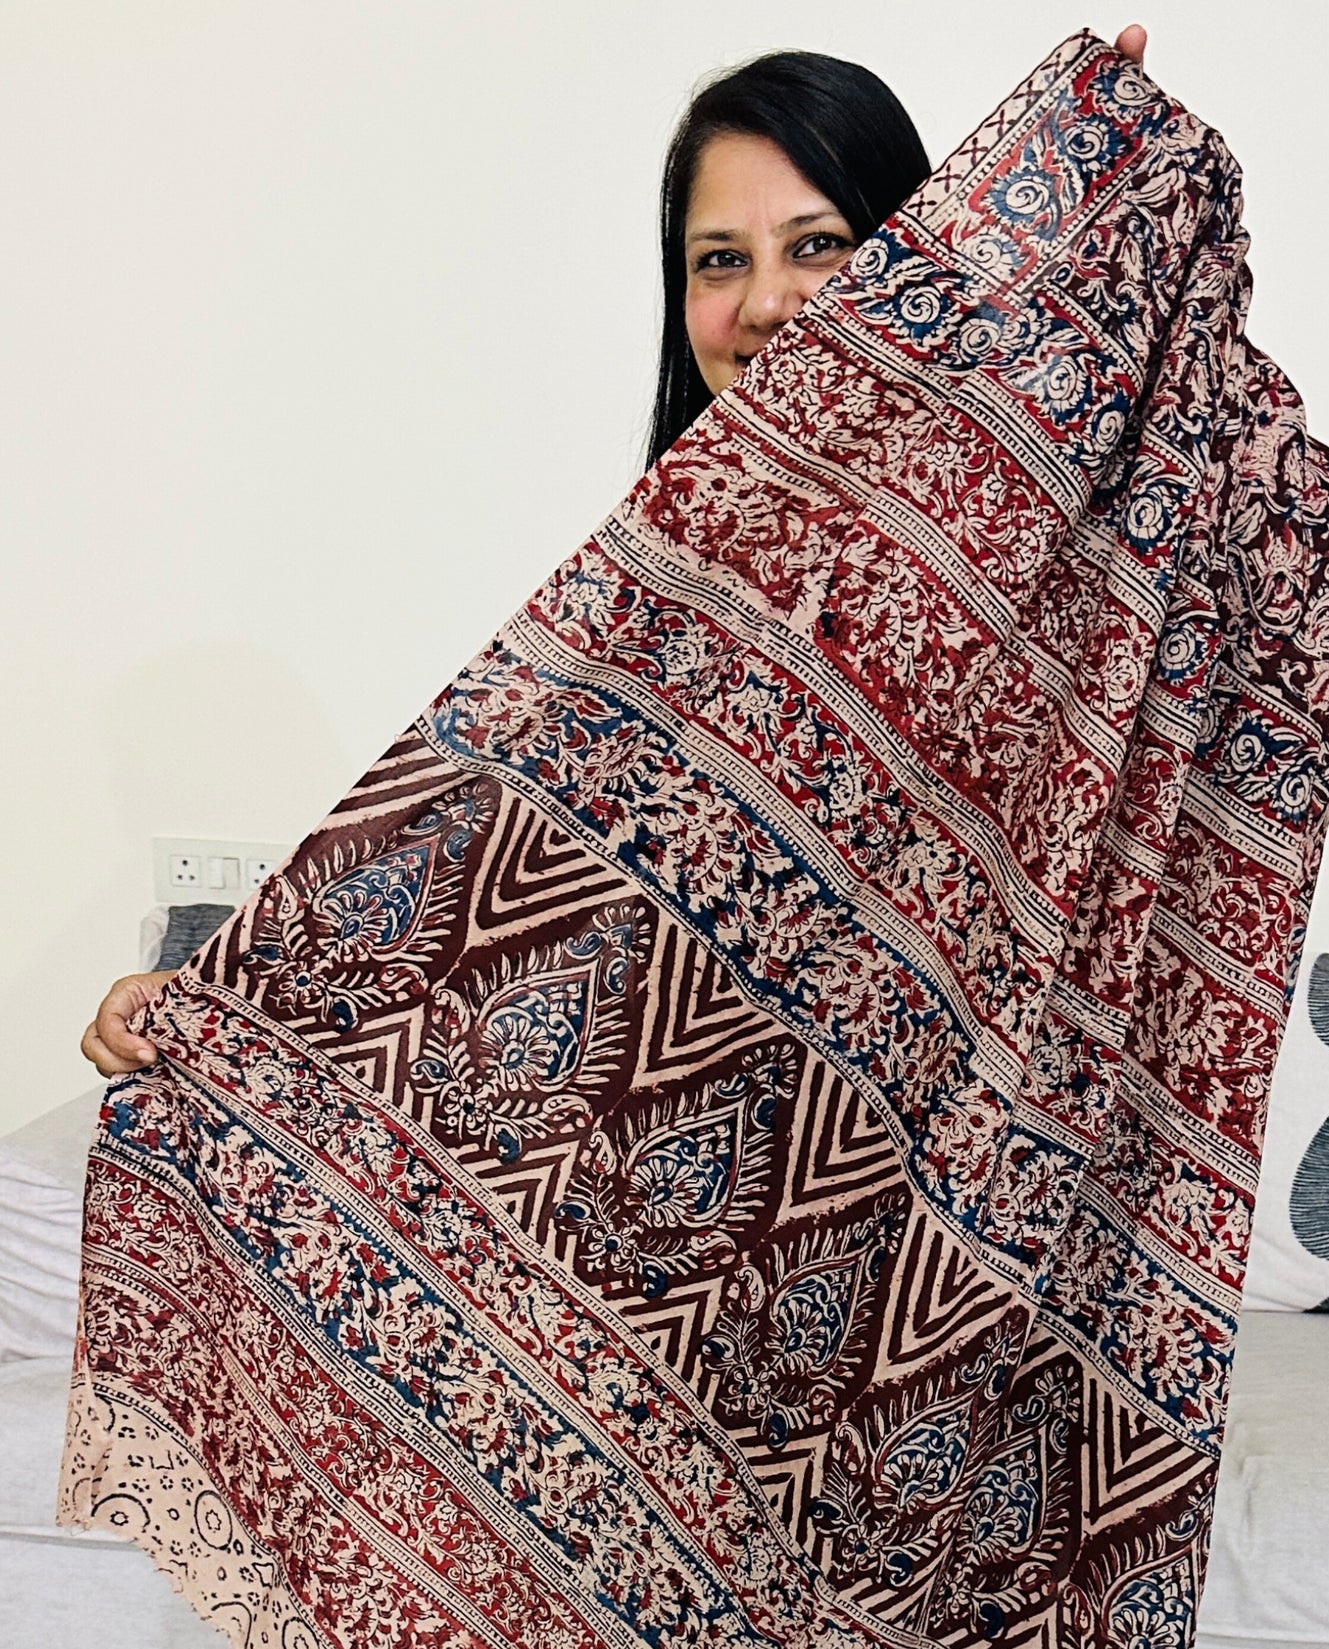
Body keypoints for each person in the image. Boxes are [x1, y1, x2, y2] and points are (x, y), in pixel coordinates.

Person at [78, 26, 1150, 1084]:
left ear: (917, 257)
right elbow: (499, 886)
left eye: (819, 245)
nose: (768, 303)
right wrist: (223, 1001)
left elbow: (1255, 604)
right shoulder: (654, 595)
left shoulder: (1037, 569)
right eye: (719, 260)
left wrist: (1103, 220)